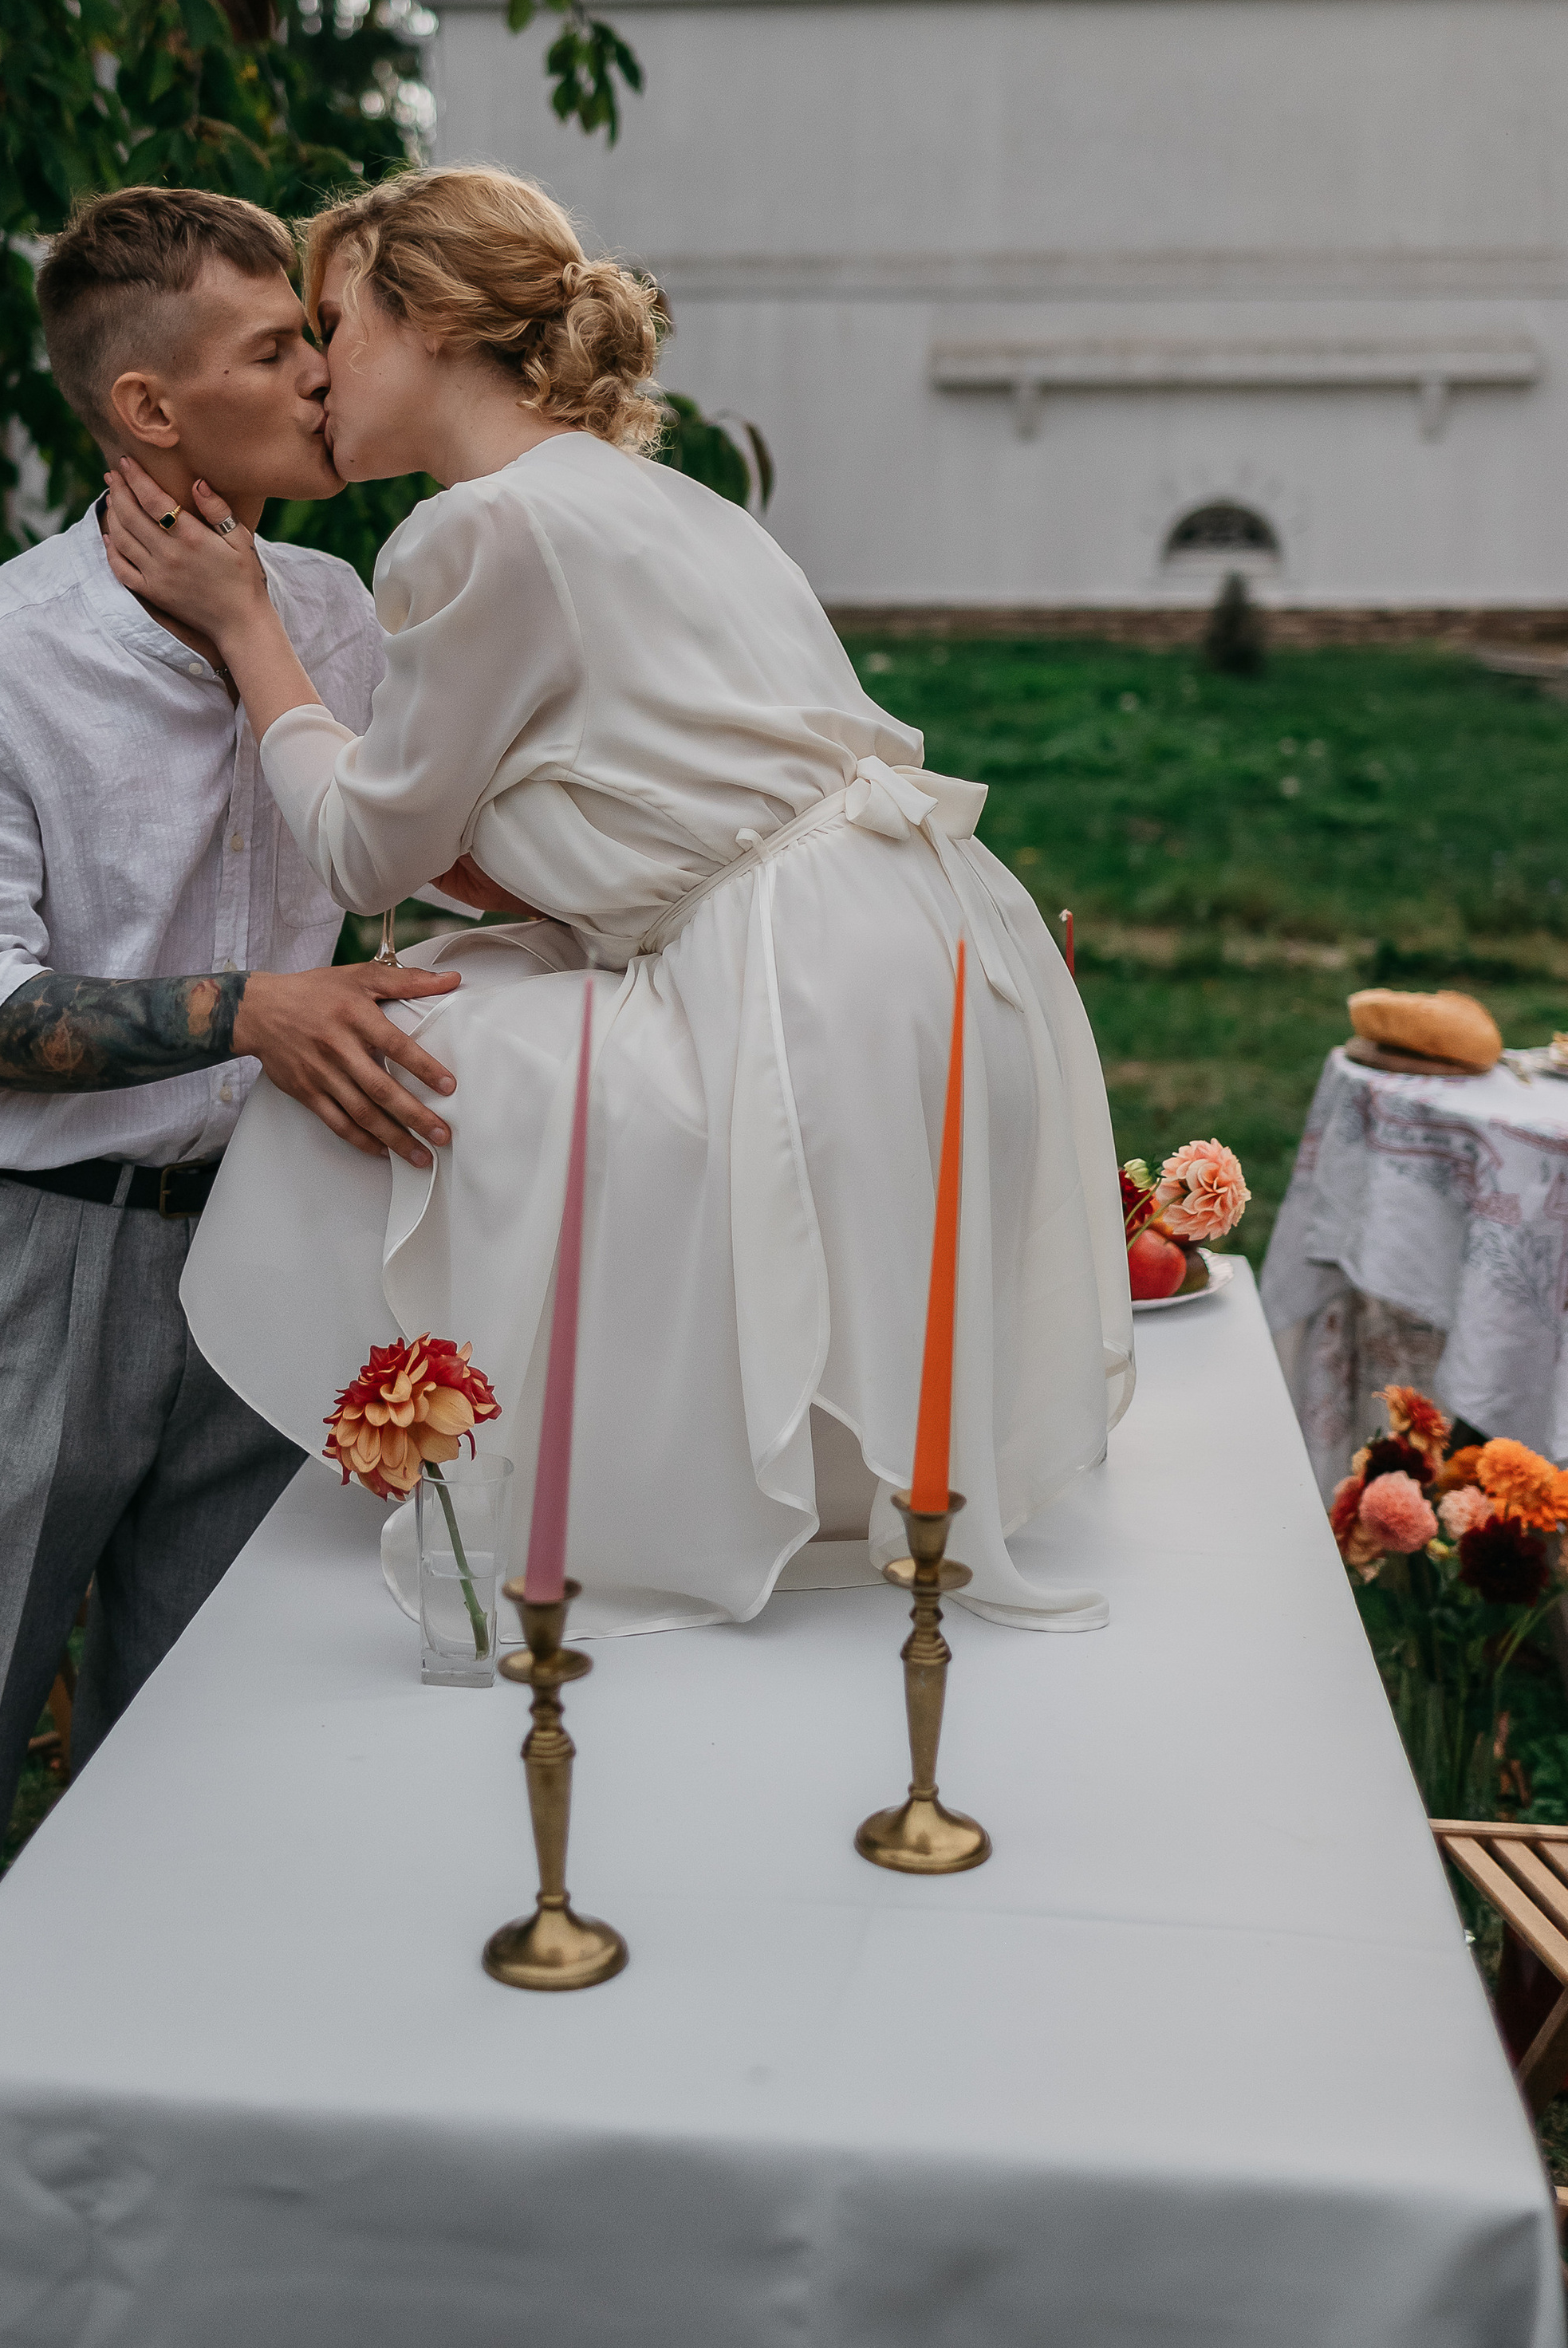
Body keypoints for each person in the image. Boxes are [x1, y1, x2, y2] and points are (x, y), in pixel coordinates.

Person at [102, 167, 1133, 1637]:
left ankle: (491, 1455)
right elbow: (639, 796)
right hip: (938, 941)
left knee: (413, 1049)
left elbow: (360, 856)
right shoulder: (664, 500)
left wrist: (244, 619)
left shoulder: (472, 530)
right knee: (489, 995)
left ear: (436, 315)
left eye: (334, 320)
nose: (319, 370)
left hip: (803, 982)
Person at [0, 186, 467, 1924]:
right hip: (32, 1273)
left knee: (209, 1758)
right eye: (279, 347)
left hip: (275, 1253)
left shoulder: (332, 613)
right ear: (148, 411)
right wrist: (250, 1012)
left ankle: (122, 2167)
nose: (326, 377)